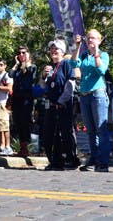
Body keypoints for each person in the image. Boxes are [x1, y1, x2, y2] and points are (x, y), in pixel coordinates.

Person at [72, 29, 110, 172]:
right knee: (90, 131)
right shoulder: (83, 55)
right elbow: (73, 64)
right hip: (85, 95)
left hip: (98, 94)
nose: (90, 41)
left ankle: (103, 162)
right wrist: (77, 47)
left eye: (93, 38)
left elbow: (101, 71)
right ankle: (94, 159)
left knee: (101, 129)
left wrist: (96, 54)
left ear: (99, 40)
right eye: (88, 38)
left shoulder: (104, 55)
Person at [41, 39, 77, 170]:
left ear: (62, 52)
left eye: (56, 49)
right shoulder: (51, 67)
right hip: (50, 105)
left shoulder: (67, 64)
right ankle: (55, 161)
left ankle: (71, 160)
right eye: (51, 49)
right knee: (50, 134)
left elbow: (70, 85)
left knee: (65, 133)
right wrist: (43, 76)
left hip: (63, 105)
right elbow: (43, 86)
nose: (53, 51)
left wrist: (61, 101)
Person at [9, 45, 37, 157]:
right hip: (16, 98)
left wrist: (28, 60)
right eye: (19, 53)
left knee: (25, 122)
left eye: (23, 52)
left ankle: (26, 148)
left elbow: (30, 72)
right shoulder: (18, 69)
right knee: (18, 122)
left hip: (26, 98)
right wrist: (16, 64)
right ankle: (22, 147)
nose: (21, 55)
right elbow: (10, 74)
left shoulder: (32, 66)